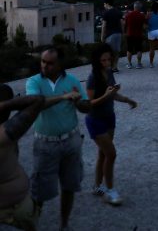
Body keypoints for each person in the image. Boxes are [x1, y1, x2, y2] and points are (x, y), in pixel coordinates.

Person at [26, 47, 91, 231]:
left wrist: (80, 102)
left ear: (60, 63)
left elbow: (85, 108)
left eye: (50, 63)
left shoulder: (72, 81)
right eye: (43, 62)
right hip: (45, 144)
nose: (45, 66)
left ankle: (64, 224)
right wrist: (64, 96)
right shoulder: (34, 81)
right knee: (39, 191)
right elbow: (35, 103)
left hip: (71, 141)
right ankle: (33, 225)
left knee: (69, 186)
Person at [86, 44, 138, 206]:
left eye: (109, 59)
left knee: (103, 154)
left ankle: (97, 186)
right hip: (95, 119)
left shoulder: (108, 72)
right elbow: (90, 103)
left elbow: (113, 94)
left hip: (110, 117)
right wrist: (107, 94)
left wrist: (127, 99)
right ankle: (110, 191)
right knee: (111, 154)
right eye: (103, 60)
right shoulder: (92, 77)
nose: (107, 62)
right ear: (97, 60)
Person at [0, 84, 45, 231]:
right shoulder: (4, 134)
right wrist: (6, 104)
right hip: (12, 210)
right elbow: (38, 101)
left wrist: (63, 97)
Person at [101, 0, 124, 73]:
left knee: (109, 52)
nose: (104, 6)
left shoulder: (106, 13)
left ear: (107, 4)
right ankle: (115, 67)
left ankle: (109, 68)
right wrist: (122, 32)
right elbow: (122, 23)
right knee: (116, 51)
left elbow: (104, 26)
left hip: (110, 35)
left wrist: (102, 37)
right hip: (118, 34)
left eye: (104, 4)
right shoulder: (118, 12)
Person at [124, 1, 146, 69]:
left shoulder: (128, 15)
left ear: (134, 7)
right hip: (139, 35)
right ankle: (139, 64)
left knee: (129, 50)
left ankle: (129, 64)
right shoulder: (142, 15)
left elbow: (125, 25)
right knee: (139, 50)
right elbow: (144, 26)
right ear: (140, 8)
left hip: (130, 34)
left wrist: (125, 32)